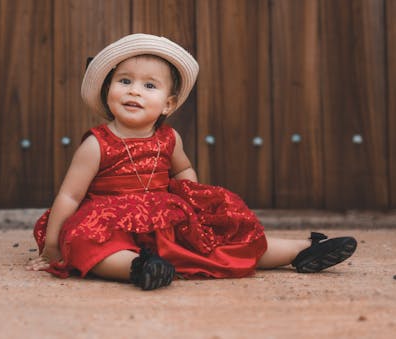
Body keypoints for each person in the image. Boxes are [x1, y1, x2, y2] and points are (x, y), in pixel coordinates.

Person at [25, 34, 357, 290]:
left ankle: (302, 250)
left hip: (162, 215)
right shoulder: (98, 143)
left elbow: (182, 168)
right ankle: (139, 268)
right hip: (108, 220)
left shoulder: (169, 139)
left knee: (218, 242)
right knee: (88, 245)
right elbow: (69, 195)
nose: (134, 91)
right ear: (108, 89)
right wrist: (52, 248)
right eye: (124, 81)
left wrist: (191, 196)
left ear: (168, 103)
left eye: (149, 85)